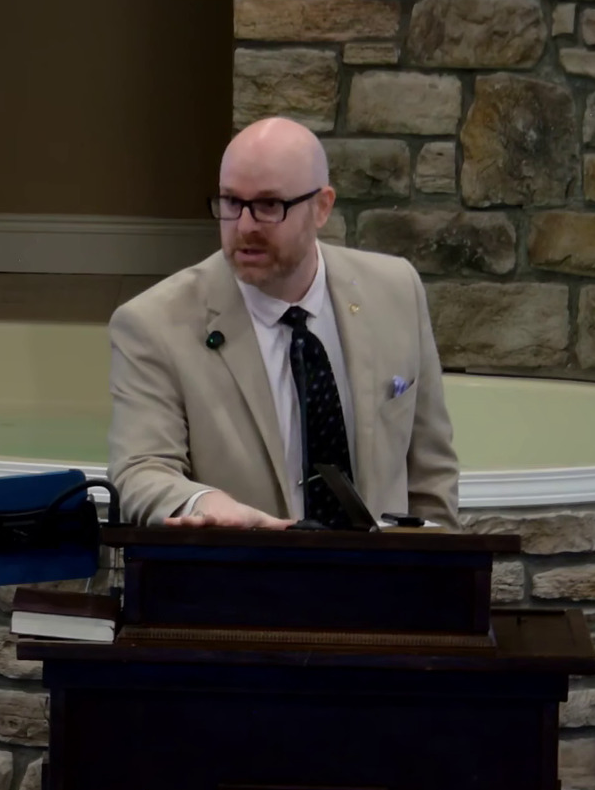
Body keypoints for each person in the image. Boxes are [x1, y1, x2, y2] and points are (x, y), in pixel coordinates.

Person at [108, 117, 458, 529]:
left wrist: (434, 568)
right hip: (243, 581)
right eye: (231, 202)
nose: (244, 226)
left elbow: (431, 473)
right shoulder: (154, 323)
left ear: (322, 206)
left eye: (269, 205)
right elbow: (140, 470)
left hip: (382, 583)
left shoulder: (396, 291)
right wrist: (203, 502)